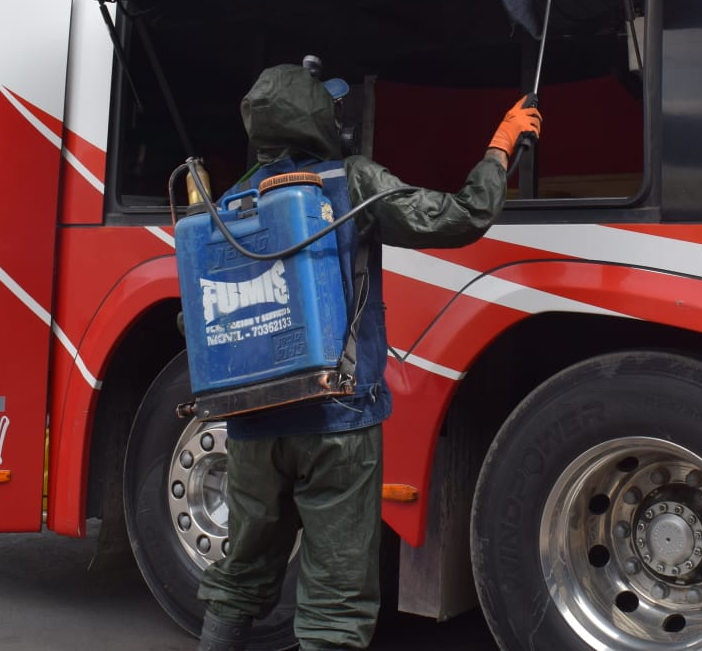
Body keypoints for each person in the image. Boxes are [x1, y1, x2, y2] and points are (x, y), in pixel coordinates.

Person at [196, 62, 542, 651]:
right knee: (334, 603)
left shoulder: (228, 202)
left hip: (253, 424)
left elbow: (202, 319)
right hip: (337, 421)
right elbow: (461, 218)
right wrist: (500, 146)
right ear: (319, 121)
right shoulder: (348, 181)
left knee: (240, 576)